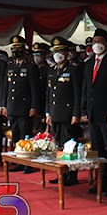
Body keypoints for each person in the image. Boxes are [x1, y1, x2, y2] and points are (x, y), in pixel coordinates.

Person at [81, 28, 107, 197]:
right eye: (94, 41)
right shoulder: (89, 63)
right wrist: (84, 109)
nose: (97, 44)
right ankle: (101, 182)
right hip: (92, 114)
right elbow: (85, 88)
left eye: (100, 41)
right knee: (98, 150)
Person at [0, 35, 41, 173]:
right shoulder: (10, 65)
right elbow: (5, 87)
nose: (15, 50)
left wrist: (34, 106)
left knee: (26, 135)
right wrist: (3, 105)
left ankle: (28, 164)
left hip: (25, 107)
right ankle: (18, 161)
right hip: (12, 106)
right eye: (13, 48)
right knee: (16, 136)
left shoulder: (30, 66)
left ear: (24, 49)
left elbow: (35, 89)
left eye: (18, 48)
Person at [46, 38, 81, 184]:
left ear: (67, 53)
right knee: (59, 144)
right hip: (55, 113)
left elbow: (77, 93)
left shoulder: (73, 69)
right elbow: (49, 93)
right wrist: (48, 112)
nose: (57, 54)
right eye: (55, 52)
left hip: (68, 114)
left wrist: (76, 113)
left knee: (69, 144)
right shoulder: (52, 70)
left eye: (60, 51)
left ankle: (72, 174)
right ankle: (61, 171)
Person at [32, 42, 50, 134]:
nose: (36, 57)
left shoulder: (48, 69)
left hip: (44, 103)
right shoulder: (32, 68)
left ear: (45, 55)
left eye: (39, 54)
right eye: (34, 54)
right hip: (33, 104)